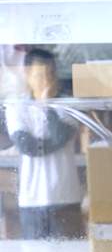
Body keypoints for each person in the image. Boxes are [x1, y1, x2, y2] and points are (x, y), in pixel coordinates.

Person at [5, 48, 83, 241]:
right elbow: (27, 147)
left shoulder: (68, 104)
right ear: (27, 75)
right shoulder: (16, 106)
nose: (47, 81)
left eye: (51, 74)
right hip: (31, 199)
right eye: (40, 75)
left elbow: (60, 136)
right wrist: (51, 143)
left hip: (66, 196)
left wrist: (47, 105)